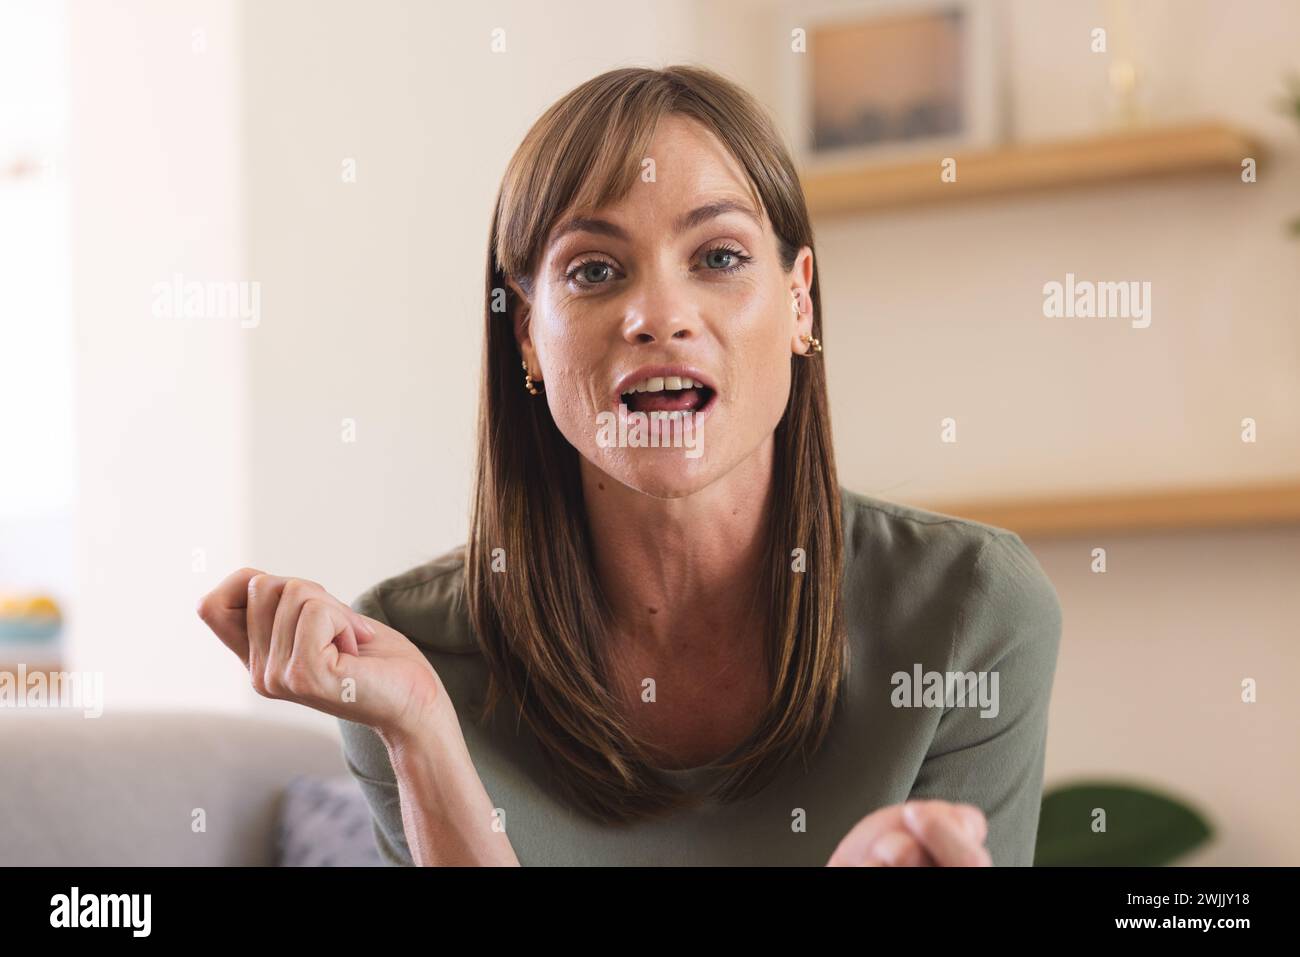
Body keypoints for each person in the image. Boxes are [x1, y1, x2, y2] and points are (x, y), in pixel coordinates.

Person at [196, 64, 1062, 867]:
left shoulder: (973, 610)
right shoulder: (407, 658)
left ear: (800, 302)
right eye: (596, 270)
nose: (659, 314)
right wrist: (422, 730)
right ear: (526, 336)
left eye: (718, 258)